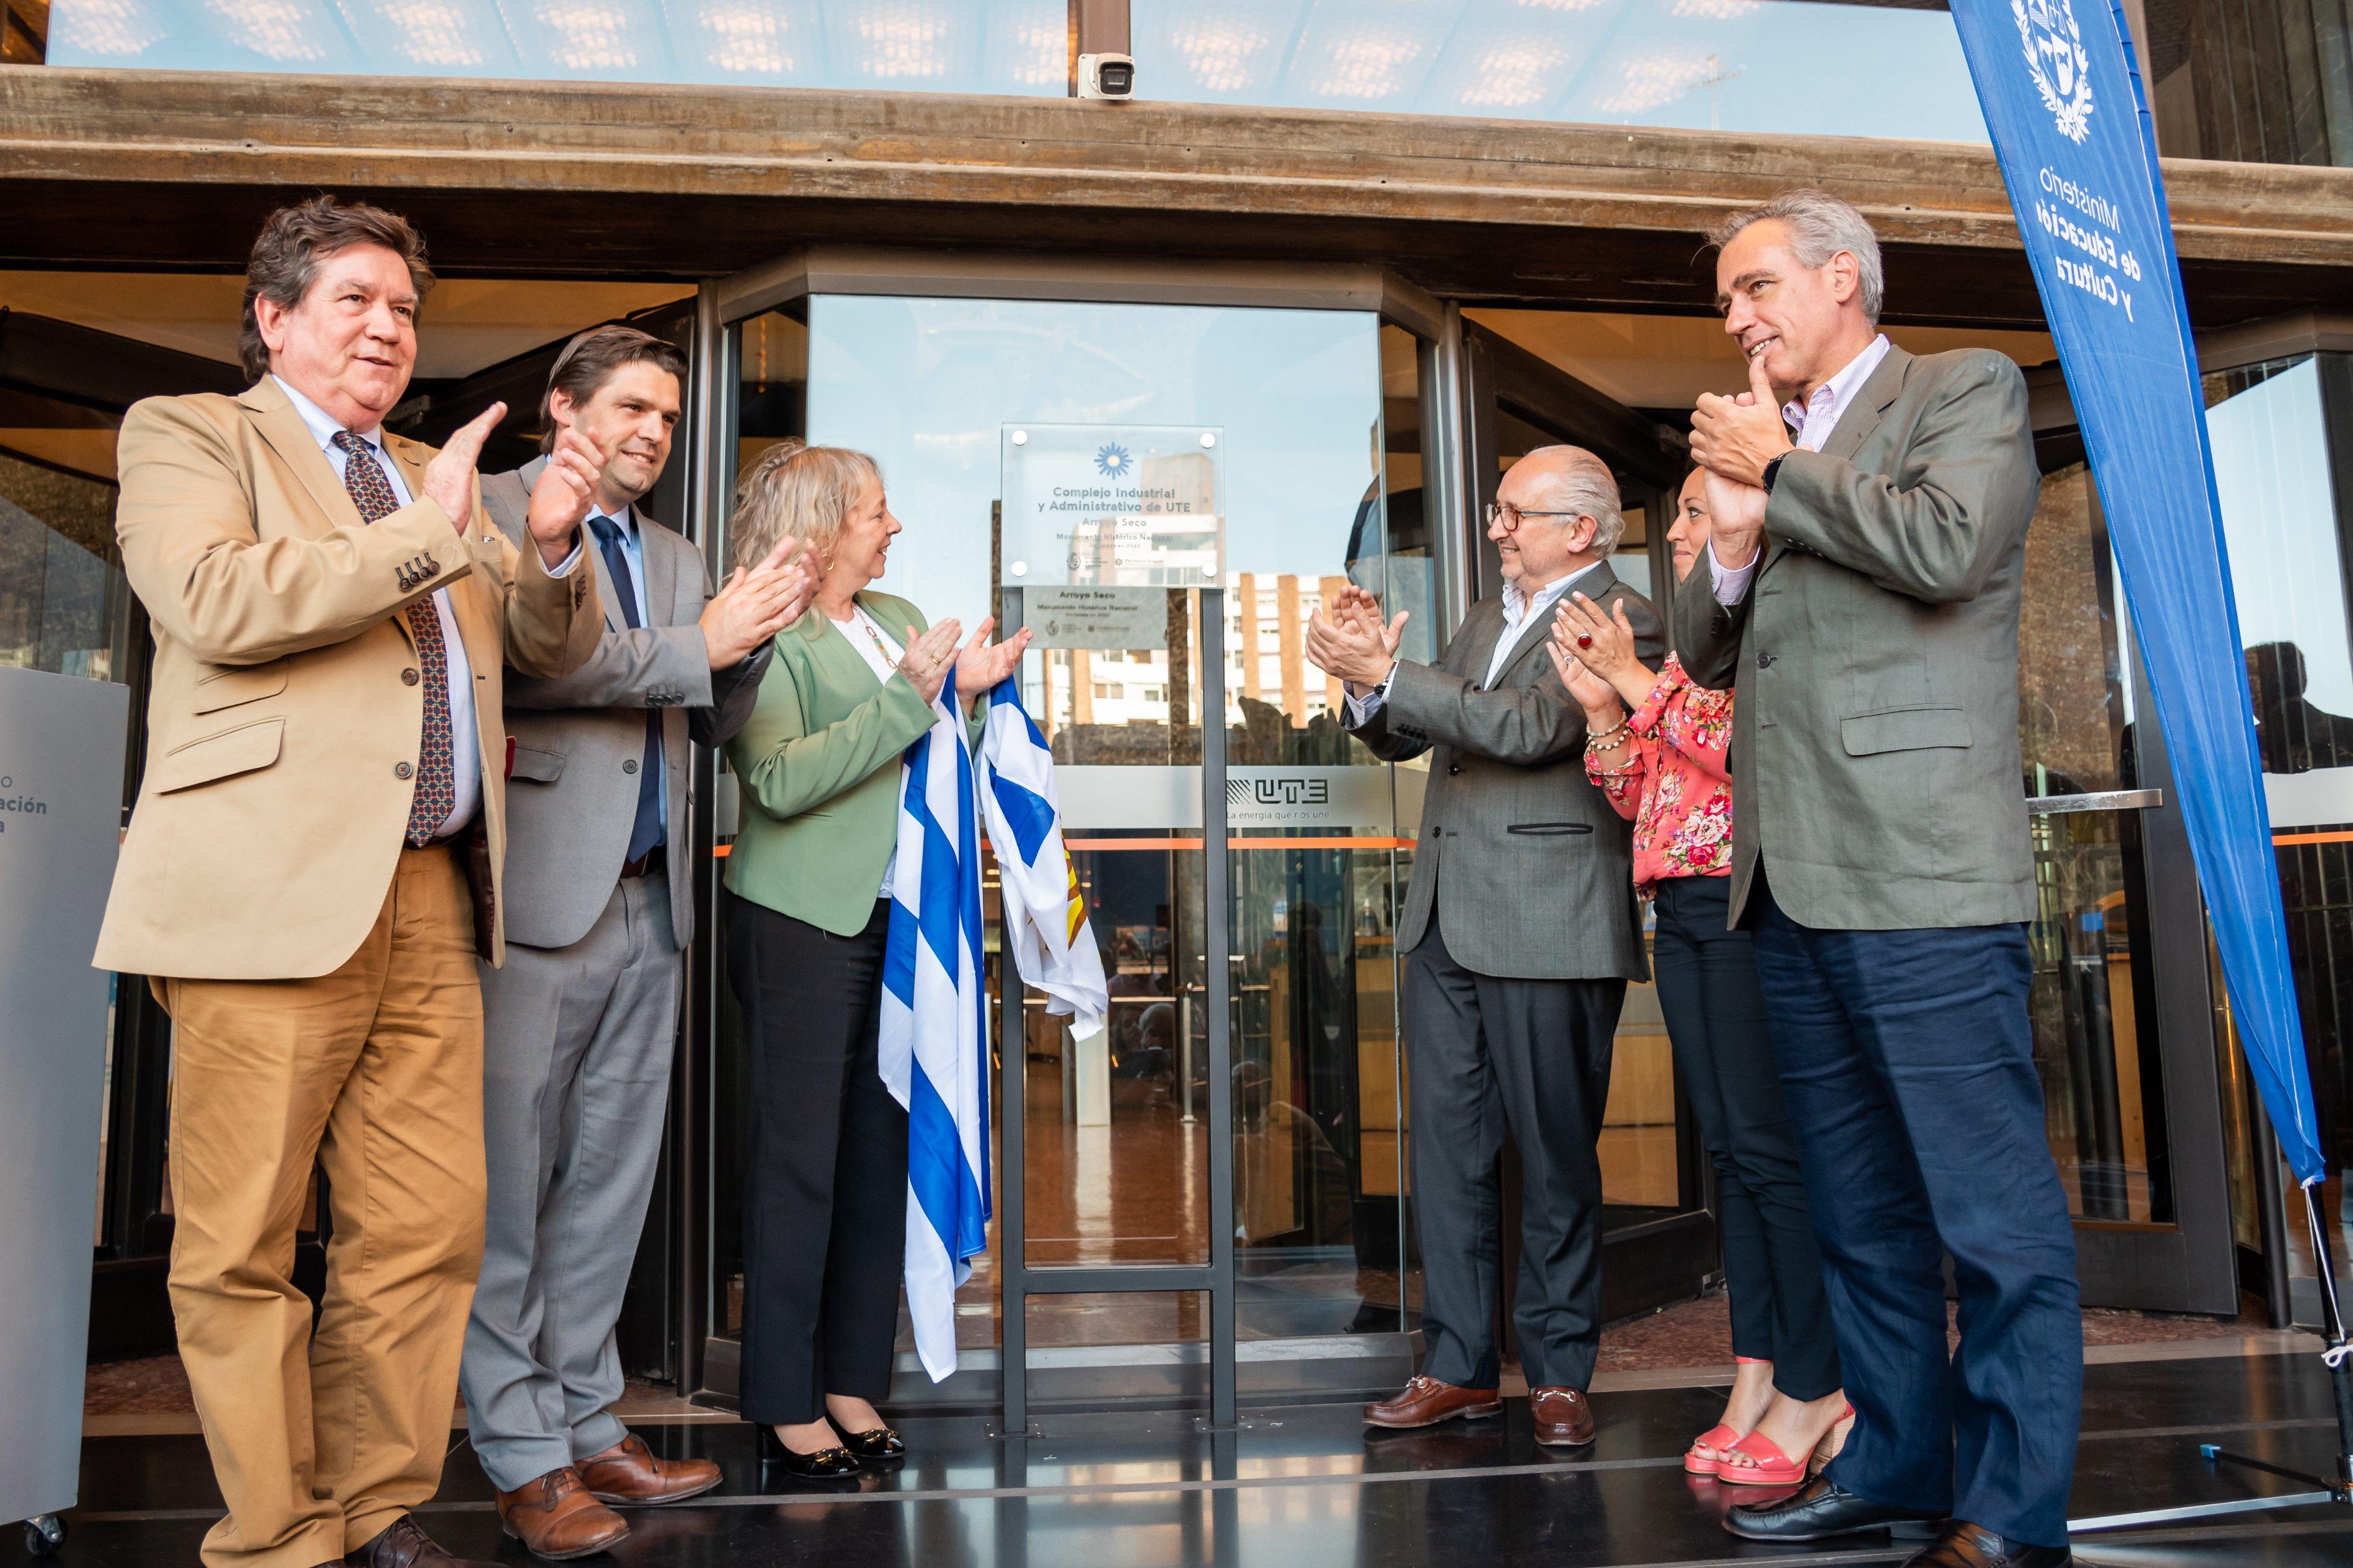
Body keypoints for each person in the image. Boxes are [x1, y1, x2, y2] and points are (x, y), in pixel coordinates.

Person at [91, 196, 600, 1568]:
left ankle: (377, 1507)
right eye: (354, 302)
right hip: (265, 894)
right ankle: (278, 1534)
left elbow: (538, 647)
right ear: (272, 319)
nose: (388, 327)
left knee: (424, 1234)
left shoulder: (433, 469)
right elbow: (214, 599)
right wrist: (434, 533)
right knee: (242, 1243)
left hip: (435, 892)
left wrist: (548, 543)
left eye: (405, 308)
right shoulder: (188, 433)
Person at [1678, 190, 2077, 1568]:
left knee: (1993, 1227)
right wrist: (1730, 529)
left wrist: (1777, 471)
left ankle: (2014, 1515)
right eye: (1726, 300)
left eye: (1753, 287)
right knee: (1859, 1221)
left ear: (1840, 275)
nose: (1735, 318)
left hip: (1921, 878)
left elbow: (1945, 546)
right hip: (1786, 886)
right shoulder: (1770, 445)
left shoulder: (1957, 390)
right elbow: (1709, 648)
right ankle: (1897, 1469)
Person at [458, 327, 817, 1557]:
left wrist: (750, 639)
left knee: (608, 1190)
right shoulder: (491, 507)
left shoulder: (673, 553)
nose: (653, 433)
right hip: (538, 895)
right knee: (511, 1191)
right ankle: (518, 1452)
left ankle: (589, 1420)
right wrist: (696, 644)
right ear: (563, 408)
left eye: (666, 416)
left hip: (655, 900)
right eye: (631, 408)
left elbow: (707, 713)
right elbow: (527, 664)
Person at [1308, 445, 1662, 1449]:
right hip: (1445, 920)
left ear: (1582, 530)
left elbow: (1527, 727)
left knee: (1555, 1157)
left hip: (1551, 920)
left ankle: (1558, 1373)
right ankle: (1459, 1366)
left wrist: (1397, 676)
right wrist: (1369, 684)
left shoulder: (1621, 614)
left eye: (1515, 512)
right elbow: (1413, 732)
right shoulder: (1487, 612)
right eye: (1499, 510)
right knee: (1450, 1154)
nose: (1497, 527)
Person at [722, 441, 1029, 1479]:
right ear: (820, 525)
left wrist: (972, 696)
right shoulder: (767, 624)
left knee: (875, 1165)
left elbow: (933, 751)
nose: (893, 528)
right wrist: (907, 699)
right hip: (801, 925)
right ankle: (783, 1396)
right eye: (878, 511)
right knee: (798, 1167)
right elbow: (776, 779)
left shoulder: (898, 623)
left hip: (906, 932)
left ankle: (854, 1382)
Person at [1549, 467, 1849, 1487]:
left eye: (1689, 510)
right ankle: (1757, 1374)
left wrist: (1636, 684)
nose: (1675, 530)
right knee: (1731, 1152)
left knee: (1772, 1152)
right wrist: (1603, 708)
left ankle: (1823, 1381)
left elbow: (1753, 754)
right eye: (1676, 514)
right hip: (1678, 904)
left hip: (1747, 902)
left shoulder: (1763, 620)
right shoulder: (1683, 647)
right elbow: (1643, 789)